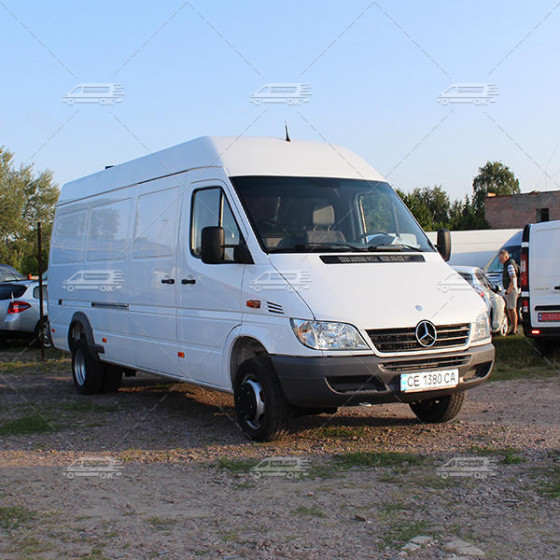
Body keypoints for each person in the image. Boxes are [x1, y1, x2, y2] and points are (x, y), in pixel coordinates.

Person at [498, 249, 520, 335]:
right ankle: (513, 329)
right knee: (510, 309)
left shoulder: (510, 266)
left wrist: (508, 291)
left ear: (506, 257)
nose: (500, 261)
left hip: (511, 290)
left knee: (512, 309)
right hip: (510, 290)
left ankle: (514, 329)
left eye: (501, 259)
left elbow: (513, 279)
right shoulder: (507, 265)